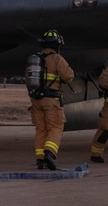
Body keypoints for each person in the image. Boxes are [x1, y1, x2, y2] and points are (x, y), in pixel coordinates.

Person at [26, 30, 75, 169]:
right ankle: (50, 153)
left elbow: (27, 79)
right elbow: (68, 76)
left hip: (36, 100)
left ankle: (40, 159)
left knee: (41, 129)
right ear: (56, 45)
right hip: (51, 100)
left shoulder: (34, 59)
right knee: (55, 127)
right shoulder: (57, 58)